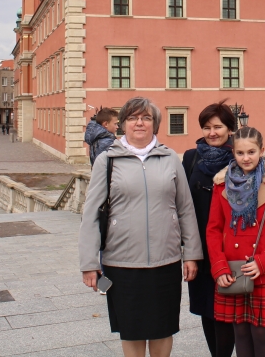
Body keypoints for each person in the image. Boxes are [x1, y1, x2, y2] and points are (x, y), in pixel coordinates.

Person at [79, 97, 202, 357]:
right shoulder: (107, 160)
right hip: (122, 262)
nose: (139, 123)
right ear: (123, 123)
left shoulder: (170, 158)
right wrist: (89, 262)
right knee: (131, 329)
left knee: (163, 328)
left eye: (146, 118)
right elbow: (91, 214)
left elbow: (185, 209)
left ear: (155, 124)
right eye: (133, 118)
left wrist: (192, 253)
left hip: (165, 260)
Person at [208, 126, 265, 357]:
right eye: (240, 153)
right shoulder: (221, 185)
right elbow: (214, 229)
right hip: (232, 270)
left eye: (251, 152)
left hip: (262, 270)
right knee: (241, 331)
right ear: (233, 153)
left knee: (262, 333)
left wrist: (263, 261)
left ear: (261, 151)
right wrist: (219, 266)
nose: (246, 158)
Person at [182, 101, 238, 357]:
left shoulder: (241, 158)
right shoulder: (191, 158)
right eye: (207, 127)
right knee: (207, 309)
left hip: (231, 249)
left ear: (230, 129)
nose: (212, 133)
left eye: (218, 127)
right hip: (200, 247)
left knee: (228, 310)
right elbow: (182, 203)